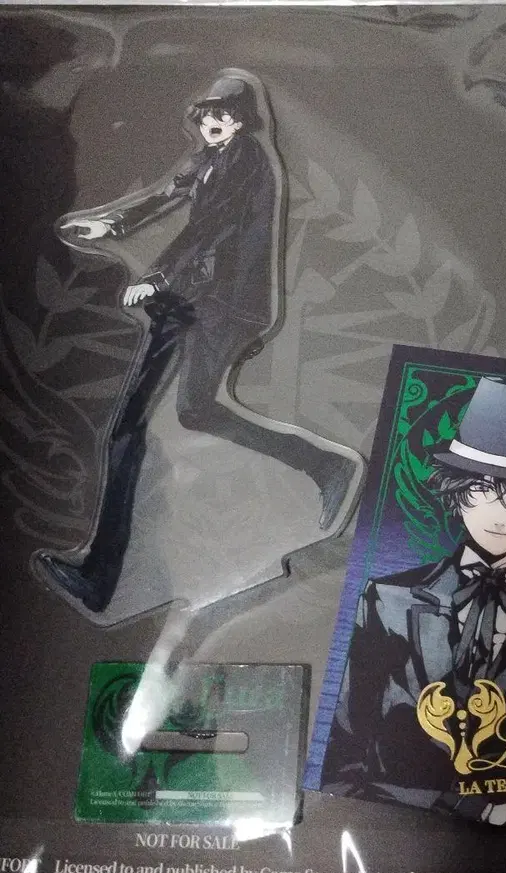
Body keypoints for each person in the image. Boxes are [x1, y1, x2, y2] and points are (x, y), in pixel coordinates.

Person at [34, 72, 360, 613]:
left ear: (242, 121)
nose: (214, 120)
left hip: (222, 306)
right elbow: (167, 195)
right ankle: (327, 467)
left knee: (151, 420)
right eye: (209, 112)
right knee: (174, 415)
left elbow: (210, 228)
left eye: (226, 114)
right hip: (194, 299)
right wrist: (109, 226)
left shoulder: (247, 160)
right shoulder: (211, 158)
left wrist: (156, 277)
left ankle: (100, 577)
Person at [320, 377, 506, 835]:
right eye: (481, 488)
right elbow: (346, 749)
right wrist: (471, 810)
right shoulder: (386, 600)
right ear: (456, 491)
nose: (500, 512)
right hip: (384, 826)